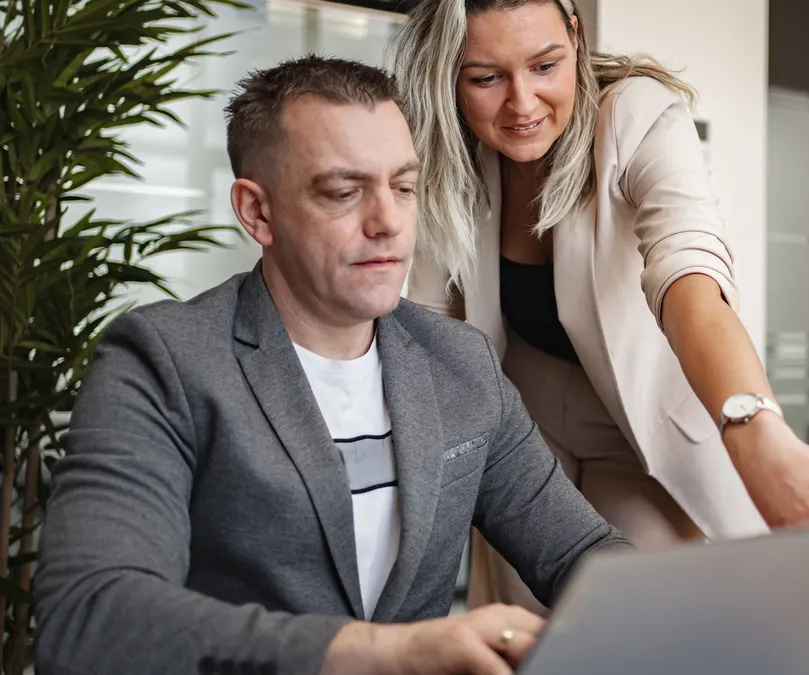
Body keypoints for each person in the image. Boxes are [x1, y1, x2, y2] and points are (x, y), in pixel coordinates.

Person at [33, 55, 631, 675]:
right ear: (257, 213)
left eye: (403, 187)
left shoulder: (460, 363)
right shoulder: (163, 362)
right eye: (344, 193)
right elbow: (90, 617)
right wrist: (389, 656)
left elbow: (580, 553)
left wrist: (683, 611)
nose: (389, 223)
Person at [393, 0, 809, 613]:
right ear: (451, 77)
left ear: (575, 34)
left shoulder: (635, 114)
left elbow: (688, 276)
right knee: (533, 627)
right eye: (487, 78)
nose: (522, 103)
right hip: (525, 422)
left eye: (544, 65)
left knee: (642, 614)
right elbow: (430, 321)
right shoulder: (448, 147)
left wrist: (757, 432)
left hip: (638, 426)